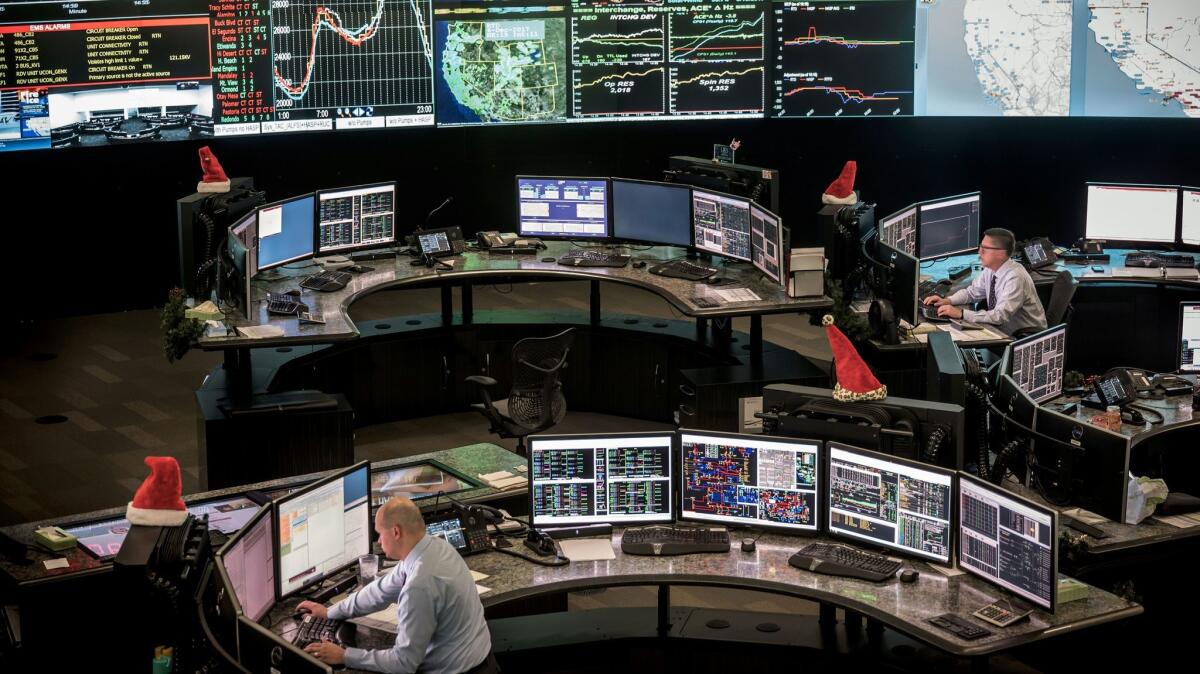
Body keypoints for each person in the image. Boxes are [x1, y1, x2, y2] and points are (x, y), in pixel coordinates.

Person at [297, 497, 496, 673]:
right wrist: (330, 612)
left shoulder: (419, 586)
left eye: (379, 534)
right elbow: (380, 591)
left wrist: (345, 656)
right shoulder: (435, 547)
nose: (378, 541)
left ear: (395, 532)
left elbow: (403, 663)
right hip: (485, 661)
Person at [922, 228, 1047, 335]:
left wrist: (960, 313)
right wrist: (948, 300)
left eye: (985, 249)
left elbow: (999, 316)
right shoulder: (991, 269)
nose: (979, 252)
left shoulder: (1015, 277)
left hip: (1023, 337)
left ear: (1001, 253)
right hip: (1003, 328)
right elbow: (972, 293)